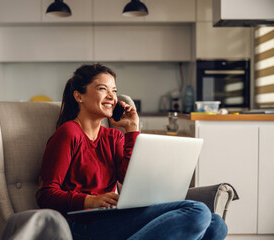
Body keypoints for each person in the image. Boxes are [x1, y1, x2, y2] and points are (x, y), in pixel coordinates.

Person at [36, 63, 227, 240]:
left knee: (216, 225)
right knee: (198, 212)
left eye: (114, 91)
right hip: (83, 224)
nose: (112, 97)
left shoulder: (113, 137)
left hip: (114, 216)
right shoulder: (69, 133)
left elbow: (130, 181)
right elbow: (46, 195)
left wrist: (132, 129)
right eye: (103, 89)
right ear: (79, 96)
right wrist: (90, 200)